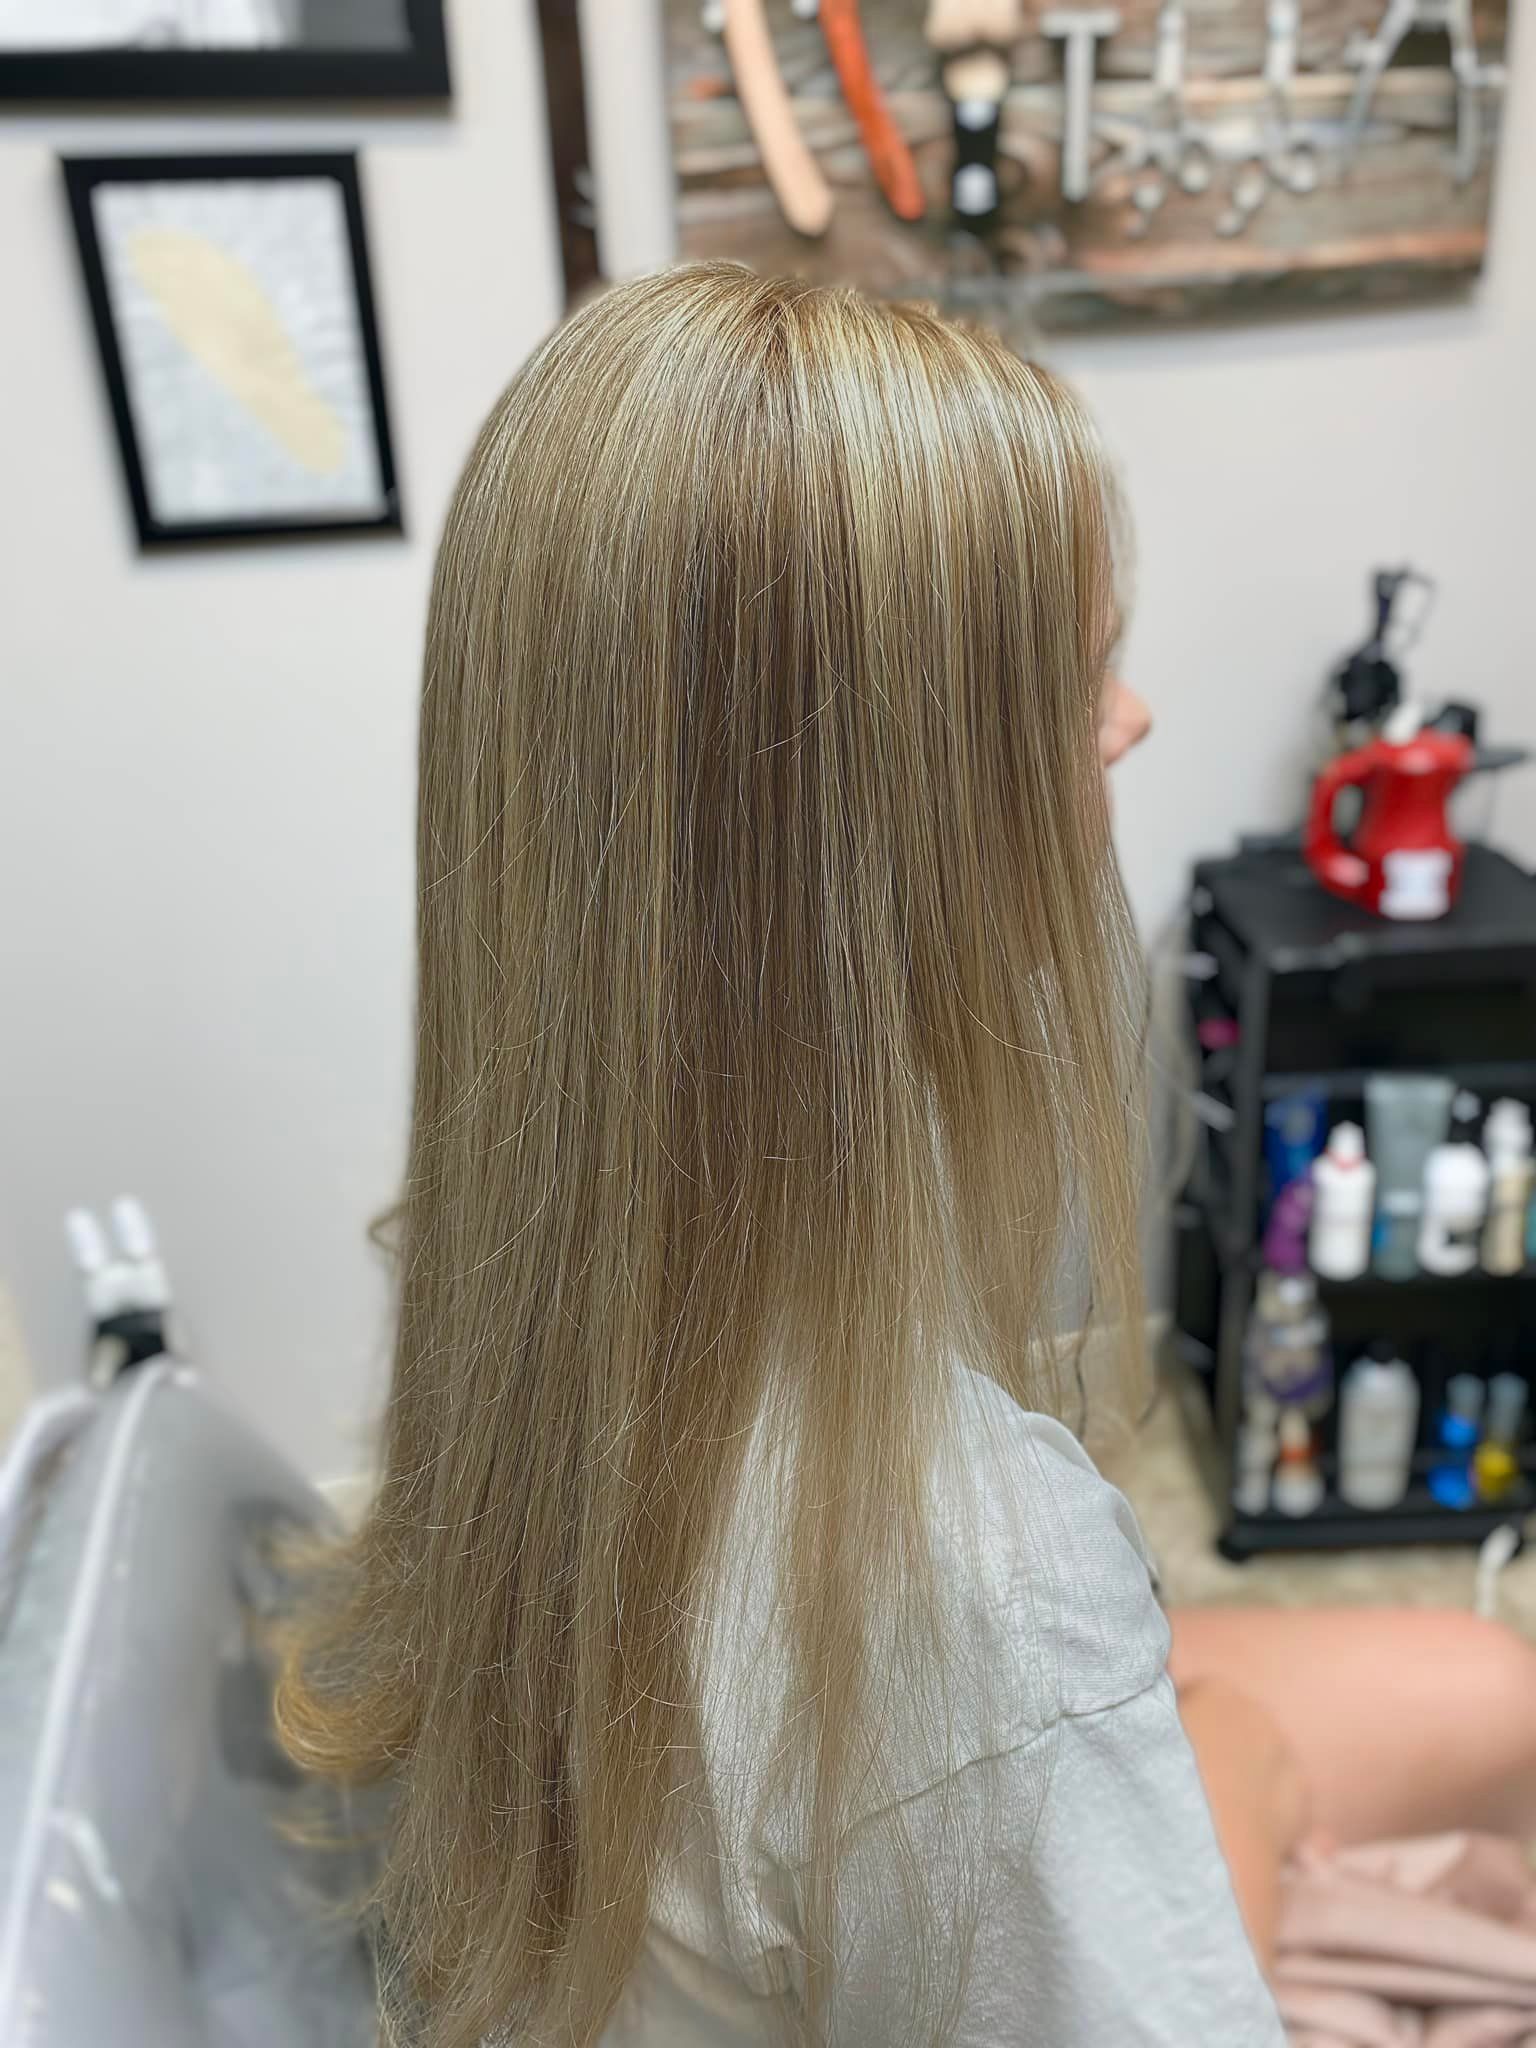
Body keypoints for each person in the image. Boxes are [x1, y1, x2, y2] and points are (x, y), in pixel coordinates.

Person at [275, 265, 1531, 2048]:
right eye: (1082, 675)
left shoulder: (524, 1270)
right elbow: (986, 1679)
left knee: (1488, 1678)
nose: (1133, 721)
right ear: (894, 826)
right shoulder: (975, 1580)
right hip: (908, 1716)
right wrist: (1222, 1797)